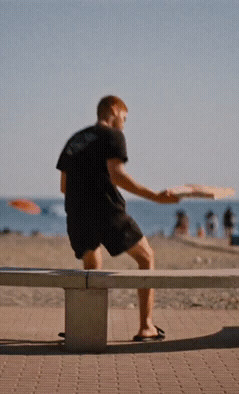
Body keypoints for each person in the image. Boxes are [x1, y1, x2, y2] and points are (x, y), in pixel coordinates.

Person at [56, 95, 179, 341]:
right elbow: (117, 175)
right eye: (124, 117)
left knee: (92, 268)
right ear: (113, 109)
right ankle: (146, 327)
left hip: (77, 217)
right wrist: (154, 196)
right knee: (146, 258)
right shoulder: (112, 135)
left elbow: (64, 187)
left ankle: (85, 327)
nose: (124, 123)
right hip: (108, 212)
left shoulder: (75, 140)